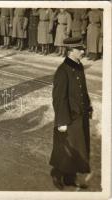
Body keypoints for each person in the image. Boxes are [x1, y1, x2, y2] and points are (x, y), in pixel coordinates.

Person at [50, 36, 93, 190]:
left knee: (78, 149)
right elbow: (59, 99)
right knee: (66, 150)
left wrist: (88, 106)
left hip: (80, 116)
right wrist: (61, 121)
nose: (83, 51)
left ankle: (70, 178)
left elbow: (83, 90)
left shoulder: (78, 65)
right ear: (71, 51)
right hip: (69, 118)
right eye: (80, 49)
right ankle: (57, 174)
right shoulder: (63, 71)